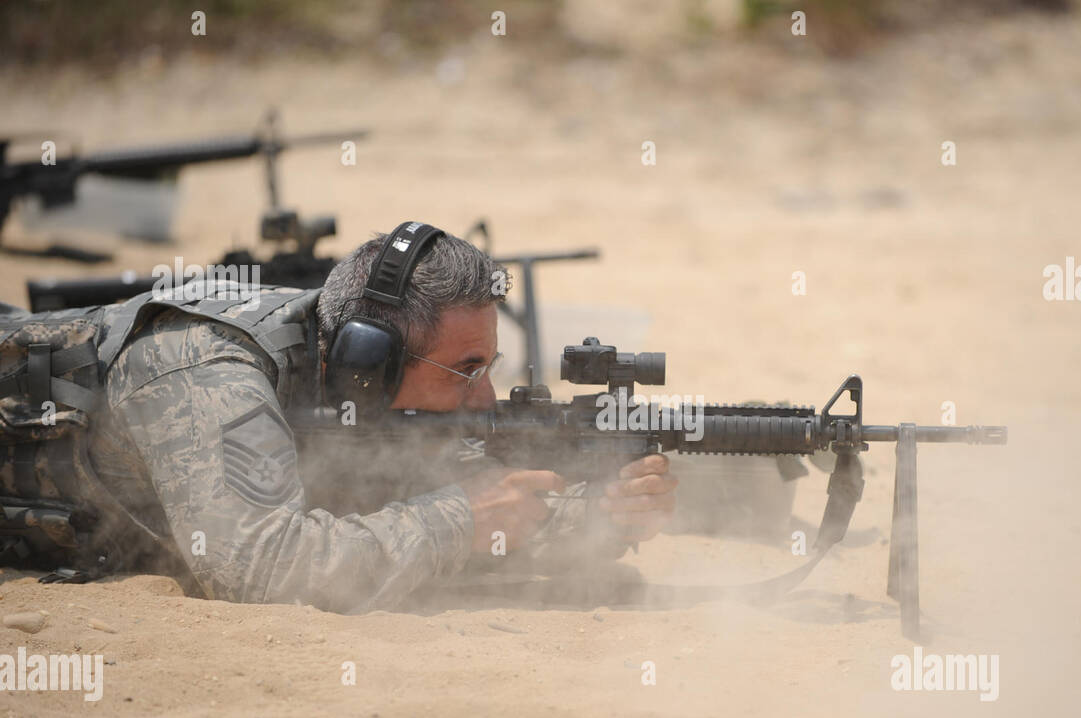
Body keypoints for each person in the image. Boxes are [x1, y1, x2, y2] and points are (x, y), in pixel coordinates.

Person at [0, 224, 676, 612]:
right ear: (367, 362)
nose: (487, 399)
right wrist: (455, 519)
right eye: (466, 370)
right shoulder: (208, 367)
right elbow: (260, 569)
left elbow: (481, 510)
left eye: (491, 367)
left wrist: (600, 520)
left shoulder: (370, 398)